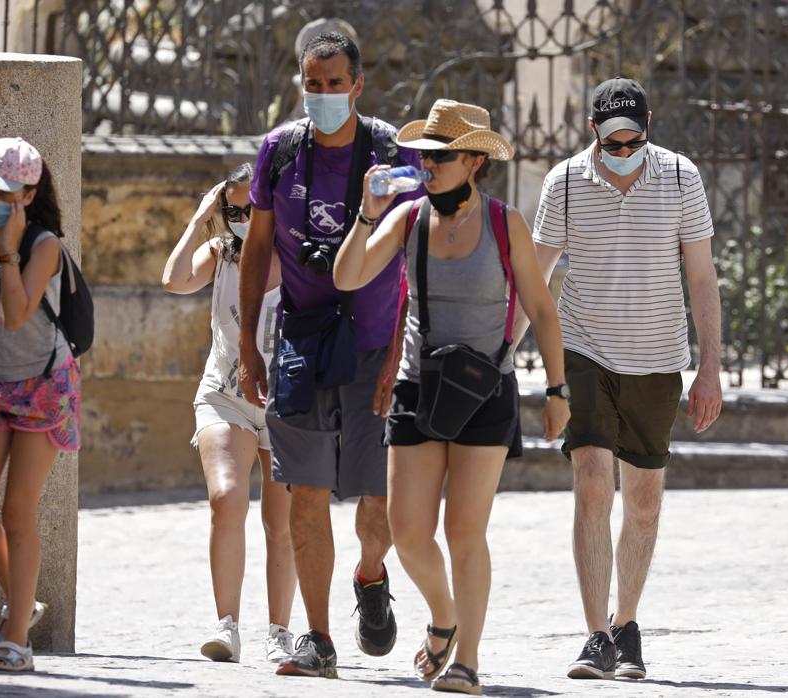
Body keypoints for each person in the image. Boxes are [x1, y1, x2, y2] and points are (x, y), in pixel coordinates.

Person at [334, 99, 570, 695]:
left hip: (484, 388)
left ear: (473, 162)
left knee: (465, 529)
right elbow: (347, 276)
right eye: (424, 154)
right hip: (418, 386)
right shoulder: (408, 217)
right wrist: (367, 214)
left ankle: (467, 660)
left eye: (441, 156)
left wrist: (558, 390)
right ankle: (444, 616)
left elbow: (541, 308)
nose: (428, 164)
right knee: (408, 532)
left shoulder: (503, 222)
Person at [522, 77, 724, 680]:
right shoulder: (563, 185)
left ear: (649, 126)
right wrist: (500, 355)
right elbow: (535, 281)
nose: (623, 150)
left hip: (659, 359)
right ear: (593, 134)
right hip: (584, 351)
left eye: (633, 139)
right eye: (612, 142)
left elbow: (703, 279)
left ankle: (626, 623)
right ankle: (594, 637)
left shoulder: (682, 177)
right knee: (590, 480)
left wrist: (709, 366)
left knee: (642, 501)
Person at [236, 31, 422, 678]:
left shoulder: (391, 152)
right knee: (305, 493)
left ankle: (371, 576)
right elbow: (257, 247)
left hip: (372, 342)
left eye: (333, 84)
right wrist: (247, 344)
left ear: (358, 85)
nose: (321, 96)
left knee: (378, 497)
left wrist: (400, 351)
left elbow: (412, 257)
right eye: (311, 85)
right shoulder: (278, 152)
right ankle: (317, 638)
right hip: (301, 338)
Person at [0, 137, 81, 672]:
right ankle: (21, 605)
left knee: (17, 510)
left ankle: (17, 642)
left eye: (2, 188)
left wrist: (8, 250)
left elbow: (20, 310)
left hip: (44, 385)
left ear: (28, 193)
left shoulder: (44, 244)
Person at [162, 162, 298, 663]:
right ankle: (227, 625)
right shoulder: (220, 254)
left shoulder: (304, 257)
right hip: (224, 393)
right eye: (232, 208)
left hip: (288, 403)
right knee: (226, 499)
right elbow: (173, 281)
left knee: (280, 523)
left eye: (251, 207)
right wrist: (201, 219)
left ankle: (280, 631)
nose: (241, 216)